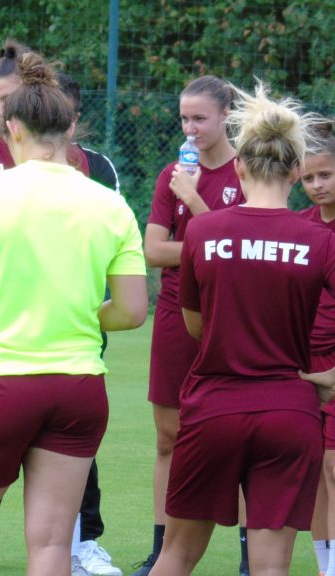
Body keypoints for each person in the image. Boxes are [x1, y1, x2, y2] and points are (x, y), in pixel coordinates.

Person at [0, 51, 148, 576]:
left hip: (0, 383)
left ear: (12, 127)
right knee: (53, 547)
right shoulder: (111, 205)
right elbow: (131, 311)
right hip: (79, 388)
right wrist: (81, 315)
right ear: (70, 127)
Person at [149, 81, 335, 576]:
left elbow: (195, 325)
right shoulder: (319, 240)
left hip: (214, 408)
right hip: (290, 412)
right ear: (296, 171)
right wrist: (328, 377)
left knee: (176, 556)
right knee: (270, 567)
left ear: (239, 167)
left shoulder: (203, 231)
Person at [0, 39, 122, 576]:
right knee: (8, 468)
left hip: (44, 346)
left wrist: (78, 311)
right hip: (23, 347)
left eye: (5, 100)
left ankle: (84, 540)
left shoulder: (90, 172)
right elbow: (132, 306)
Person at [136, 74, 246, 576]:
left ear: (227, 116)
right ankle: (161, 553)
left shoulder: (248, 172)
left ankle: (250, 559)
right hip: (175, 315)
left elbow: (244, 252)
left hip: (233, 318)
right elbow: (153, 250)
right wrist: (212, 244)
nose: (190, 128)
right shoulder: (172, 175)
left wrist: (198, 207)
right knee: (168, 438)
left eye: (200, 118)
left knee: (241, 439)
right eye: (184, 118)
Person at [299, 122, 335, 576]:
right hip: (304, 365)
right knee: (313, 469)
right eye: (308, 178)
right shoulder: (300, 227)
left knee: (333, 464)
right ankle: (325, 564)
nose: (316, 185)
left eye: (325, 174)